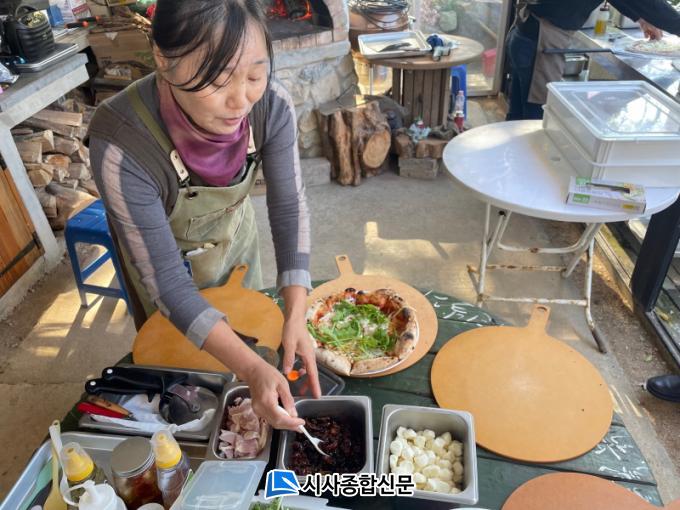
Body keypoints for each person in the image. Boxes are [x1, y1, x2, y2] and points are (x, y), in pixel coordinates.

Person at [88, 0, 320, 431]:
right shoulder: (121, 144)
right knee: (188, 386)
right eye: (216, 81)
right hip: (167, 272)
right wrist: (250, 369)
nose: (240, 101)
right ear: (164, 59)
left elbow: (289, 207)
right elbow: (168, 284)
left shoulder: (271, 105)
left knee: (258, 338)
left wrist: (296, 313)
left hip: (235, 244)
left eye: (254, 75)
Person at [505, 0, 680, 120]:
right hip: (539, 40)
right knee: (536, 118)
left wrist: (640, 18)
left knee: (518, 115)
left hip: (526, 34)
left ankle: (511, 160)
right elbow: (652, 5)